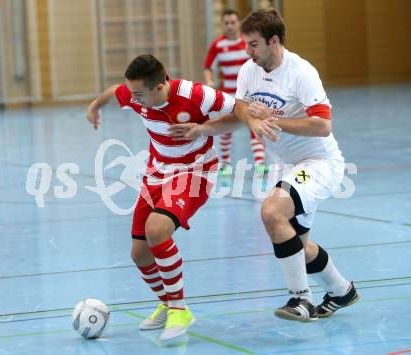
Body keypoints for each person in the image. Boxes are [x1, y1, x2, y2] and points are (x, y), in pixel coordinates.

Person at [171, 9, 360, 322]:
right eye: (246, 44)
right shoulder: (249, 70)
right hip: (288, 165)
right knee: (294, 243)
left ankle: (301, 300)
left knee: (272, 211)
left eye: (254, 44)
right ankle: (342, 290)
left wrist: (276, 122)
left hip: (318, 162)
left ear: (274, 41)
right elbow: (241, 113)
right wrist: (203, 128)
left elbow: (323, 125)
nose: (248, 51)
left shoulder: (301, 72)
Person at [86, 54, 241, 341]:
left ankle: (180, 310)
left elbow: (240, 109)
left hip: (195, 172)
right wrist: (95, 106)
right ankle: (168, 304)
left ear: (160, 86)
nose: (133, 99)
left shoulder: (195, 94)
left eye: (139, 94)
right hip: (156, 174)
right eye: (131, 93)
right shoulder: (136, 94)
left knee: (156, 230)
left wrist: (205, 129)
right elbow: (114, 92)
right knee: (140, 253)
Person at [203, 9, 267, 176]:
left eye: (233, 22)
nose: (230, 26)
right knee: (226, 130)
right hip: (229, 96)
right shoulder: (218, 45)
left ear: (238, 23)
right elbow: (208, 67)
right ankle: (225, 164)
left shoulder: (248, 43)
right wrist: (209, 80)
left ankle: (260, 163)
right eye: (227, 23)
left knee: (254, 125)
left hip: (250, 94)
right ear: (223, 25)